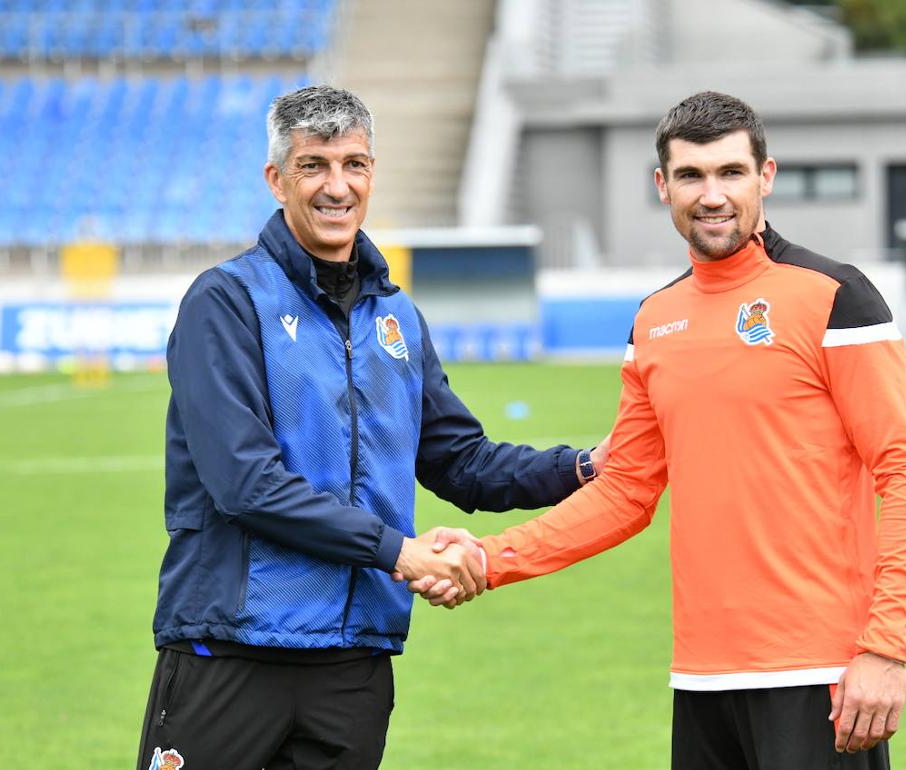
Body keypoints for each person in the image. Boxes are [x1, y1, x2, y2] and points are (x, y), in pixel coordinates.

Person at [412, 91, 906, 769]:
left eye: (731, 173)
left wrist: (885, 648)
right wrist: (490, 560)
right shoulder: (654, 320)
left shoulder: (835, 297)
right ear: (663, 186)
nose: (712, 195)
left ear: (766, 177)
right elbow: (626, 491)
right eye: (691, 176)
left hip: (821, 677)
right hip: (701, 678)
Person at [136, 84, 607, 770]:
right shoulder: (228, 300)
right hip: (231, 648)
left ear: (371, 173)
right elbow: (246, 483)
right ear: (276, 179)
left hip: (354, 662)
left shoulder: (396, 316)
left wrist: (584, 468)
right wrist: (401, 552)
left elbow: (460, 461)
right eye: (314, 165)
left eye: (354, 164)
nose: (337, 186)